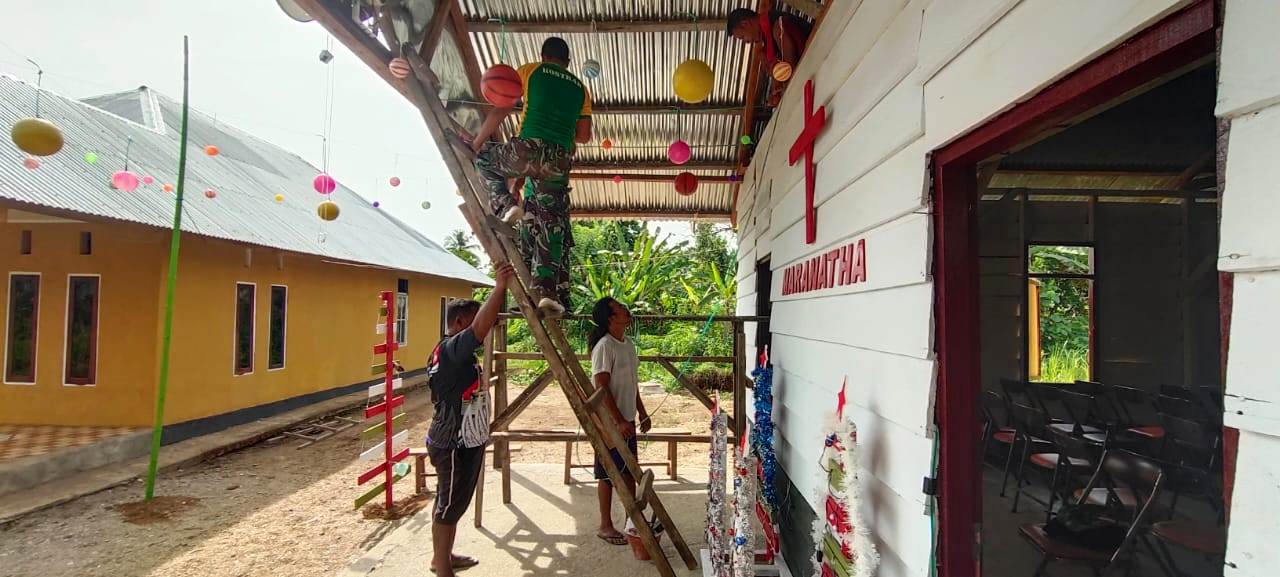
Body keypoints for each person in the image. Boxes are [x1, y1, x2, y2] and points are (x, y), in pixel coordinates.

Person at [455, 36, 593, 319]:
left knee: (484, 162)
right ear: (568, 62)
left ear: (543, 55)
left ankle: (508, 206)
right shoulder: (581, 88)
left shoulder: (531, 71)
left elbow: (503, 107)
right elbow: (584, 135)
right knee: (550, 225)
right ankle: (547, 295)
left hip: (526, 148)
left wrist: (477, 142)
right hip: (559, 160)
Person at [425, 262, 514, 576]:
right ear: (460, 321)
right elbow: (479, 330)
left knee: (455, 502)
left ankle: (444, 556)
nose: (486, 325)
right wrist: (499, 287)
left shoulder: (453, 352)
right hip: (452, 443)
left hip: (462, 438)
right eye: (477, 319)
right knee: (448, 506)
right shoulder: (452, 348)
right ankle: (441, 565)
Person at [588, 297, 651, 545]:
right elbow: (601, 388)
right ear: (611, 318)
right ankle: (605, 525)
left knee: (628, 471)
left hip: (626, 420)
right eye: (620, 308)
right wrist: (618, 421)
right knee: (607, 473)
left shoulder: (627, 344)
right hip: (610, 423)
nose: (626, 310)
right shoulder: (605, 346)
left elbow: (631, 385)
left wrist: (641, 413)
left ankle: (631, 522)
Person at [727, 8, 813, 106]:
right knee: (763, 56)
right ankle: (783, 84)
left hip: (809, 45)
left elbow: (782, 39)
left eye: (742, 37)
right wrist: (775, 89)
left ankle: (790, 77)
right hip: (794, 62)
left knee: (779, 29)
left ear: (745, 24)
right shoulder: (766, 38)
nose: (746, 42)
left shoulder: (775, 22)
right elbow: (773, 59)